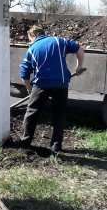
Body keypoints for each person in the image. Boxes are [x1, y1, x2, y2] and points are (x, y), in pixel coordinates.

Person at [18, 25, 84, 155]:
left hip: (41, 84)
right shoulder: (59, 41)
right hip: (61, 84)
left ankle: (25, 142)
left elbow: (24, 73)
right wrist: (78, 67)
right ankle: (56, 146)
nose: (29, 42)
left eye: (29, 39)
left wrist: (29, 88)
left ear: (33, 36)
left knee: (32, 112)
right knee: (59, 114)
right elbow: (80, 49)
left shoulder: (32, 49)